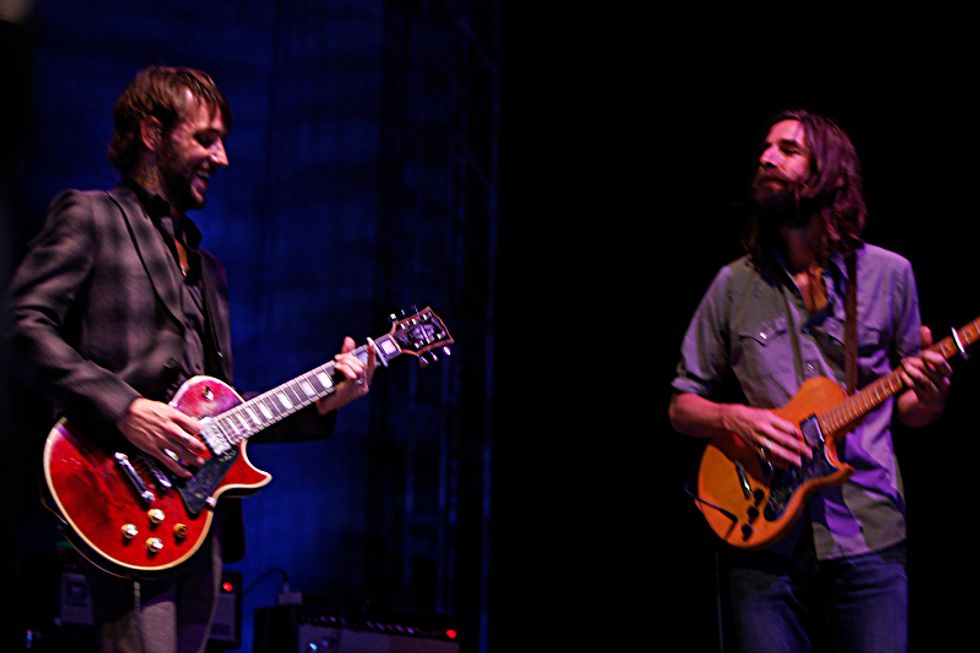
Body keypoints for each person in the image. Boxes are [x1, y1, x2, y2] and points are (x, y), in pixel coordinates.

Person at [7, 66, 375, 653]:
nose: (222, 158)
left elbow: (224, 416)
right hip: (119, 494)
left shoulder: (209, 271)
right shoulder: (91, 216)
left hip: (200, 518)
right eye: (207, 139)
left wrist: (325, 399)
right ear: (152, 134)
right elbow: (23, 327)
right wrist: (125, 408)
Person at [668, 110, 951, 652]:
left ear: (829, 172)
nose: (766, 158)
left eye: (787, 150)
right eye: (765, 149)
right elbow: (682, 406)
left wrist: (932, 395)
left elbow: (914, 409)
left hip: (867, 533)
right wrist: (737, 418)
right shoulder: (733, 285)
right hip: (761, 540)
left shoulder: (890, 275)